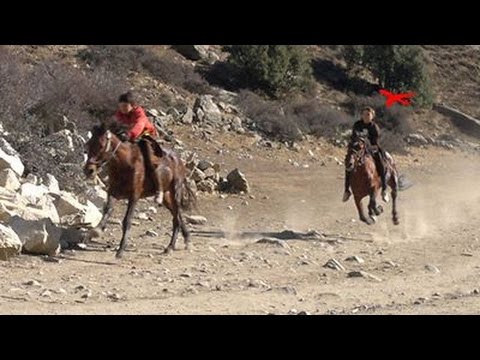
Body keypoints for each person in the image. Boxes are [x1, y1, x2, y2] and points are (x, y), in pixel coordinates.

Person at [115, 92, 164, 205]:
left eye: (125, 106)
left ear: (132, 105)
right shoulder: (119, 114)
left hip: (145, 135)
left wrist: (129, 135)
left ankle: (159, 189)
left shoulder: (139, 112)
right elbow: (116, 124)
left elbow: (139, 125)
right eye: (120, 106)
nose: (122, 109)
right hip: (130, 136)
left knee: (148, 157)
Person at [342, 107, 389, 203]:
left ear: (372, 116)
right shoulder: (357, 125)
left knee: (381, 163)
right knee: (349, 164)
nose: (366, 116)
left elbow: (375, 141)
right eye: (364, 114)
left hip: (372, 147)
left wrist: (368, 147)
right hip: (359, 148)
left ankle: (384, 189)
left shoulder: (374, 127)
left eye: (368, 114)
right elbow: (354, 137)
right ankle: (347, 190)